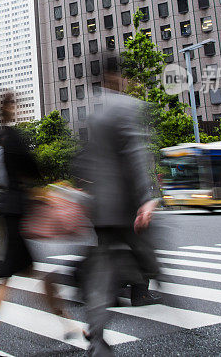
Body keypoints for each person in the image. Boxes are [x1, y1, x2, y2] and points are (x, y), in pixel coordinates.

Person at [0, 92, 72, 357]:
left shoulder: (0, 140)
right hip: (13, 216)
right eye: (15, 105)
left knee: (30, 273)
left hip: (7, 215)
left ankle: (69, 323)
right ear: (9, 108)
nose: (17, 109)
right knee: (5, 279)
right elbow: (33, 171)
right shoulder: (14, 138)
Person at [77, 56, 160, 357]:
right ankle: (146, 293)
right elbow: (136, 156)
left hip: (101, 208)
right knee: (148, 258)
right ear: (120, 77)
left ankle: (96, 334)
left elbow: (85, 159)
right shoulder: (129, 107)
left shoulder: (95, 115)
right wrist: (146, 198)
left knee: (104, 270)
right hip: (126, 207)